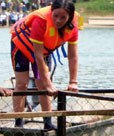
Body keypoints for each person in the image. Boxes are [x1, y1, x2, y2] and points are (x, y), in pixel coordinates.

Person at [11, 0, 80, 129]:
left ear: (69, 18)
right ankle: (18, 123)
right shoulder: (41, 21)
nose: (58, 21)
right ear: (51, 12)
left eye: (63, 17)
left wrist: (73, 81)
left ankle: (48, 123)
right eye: (56, 16)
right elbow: (37, 54)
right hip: (22, 45)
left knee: (42, 86)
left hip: (44, 51)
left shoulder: (73, 27)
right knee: (21, 83)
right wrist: (48, 83)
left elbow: (73, 56)